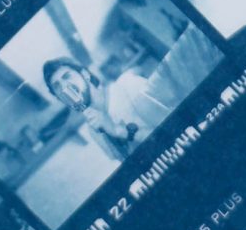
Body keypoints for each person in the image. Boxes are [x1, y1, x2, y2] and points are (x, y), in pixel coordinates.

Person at [42, 57, 171, 162]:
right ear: (60, 99)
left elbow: (172, 127)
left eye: (67, 76)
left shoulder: (128, 85)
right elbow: (131, 163)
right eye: (57, 86)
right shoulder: (93, 130)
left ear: (85, 75)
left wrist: (117, 130)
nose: (64, 86)